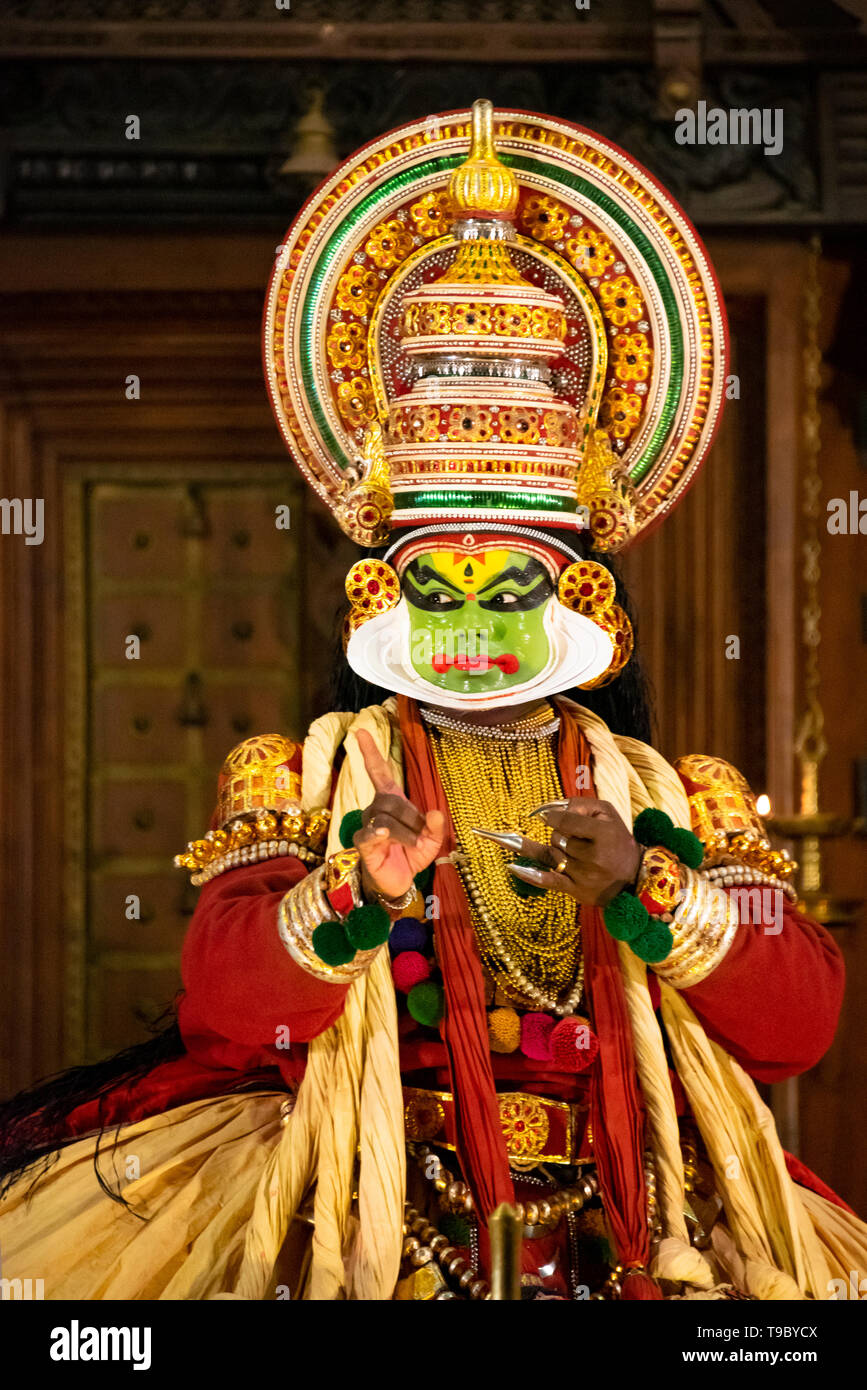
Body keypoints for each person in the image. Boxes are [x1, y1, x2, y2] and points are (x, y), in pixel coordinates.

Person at [0, 99, 864, 1302]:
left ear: (584, 602)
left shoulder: (675, 797)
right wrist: (356, 890)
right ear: (377, 593)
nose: (465, 623)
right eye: (434, 584)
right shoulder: (302, 777)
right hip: (357, 1211)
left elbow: (799, 1021)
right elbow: (226, 1015)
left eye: (503, 586)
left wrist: (646, 887)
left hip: (636, 1225)